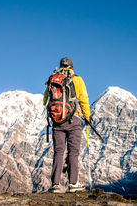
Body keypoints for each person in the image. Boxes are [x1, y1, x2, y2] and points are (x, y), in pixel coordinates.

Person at [43, 57, 91, 193]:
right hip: (74, 119)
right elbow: (83, 99)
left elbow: (45, 100)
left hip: (57, 121)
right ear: (72, 67)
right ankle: (73, 184)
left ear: (60, 66)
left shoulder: (52, 79)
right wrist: (87, 116)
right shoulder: (77, 79)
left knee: (58, 151)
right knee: (73, 152)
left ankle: (55, 185)